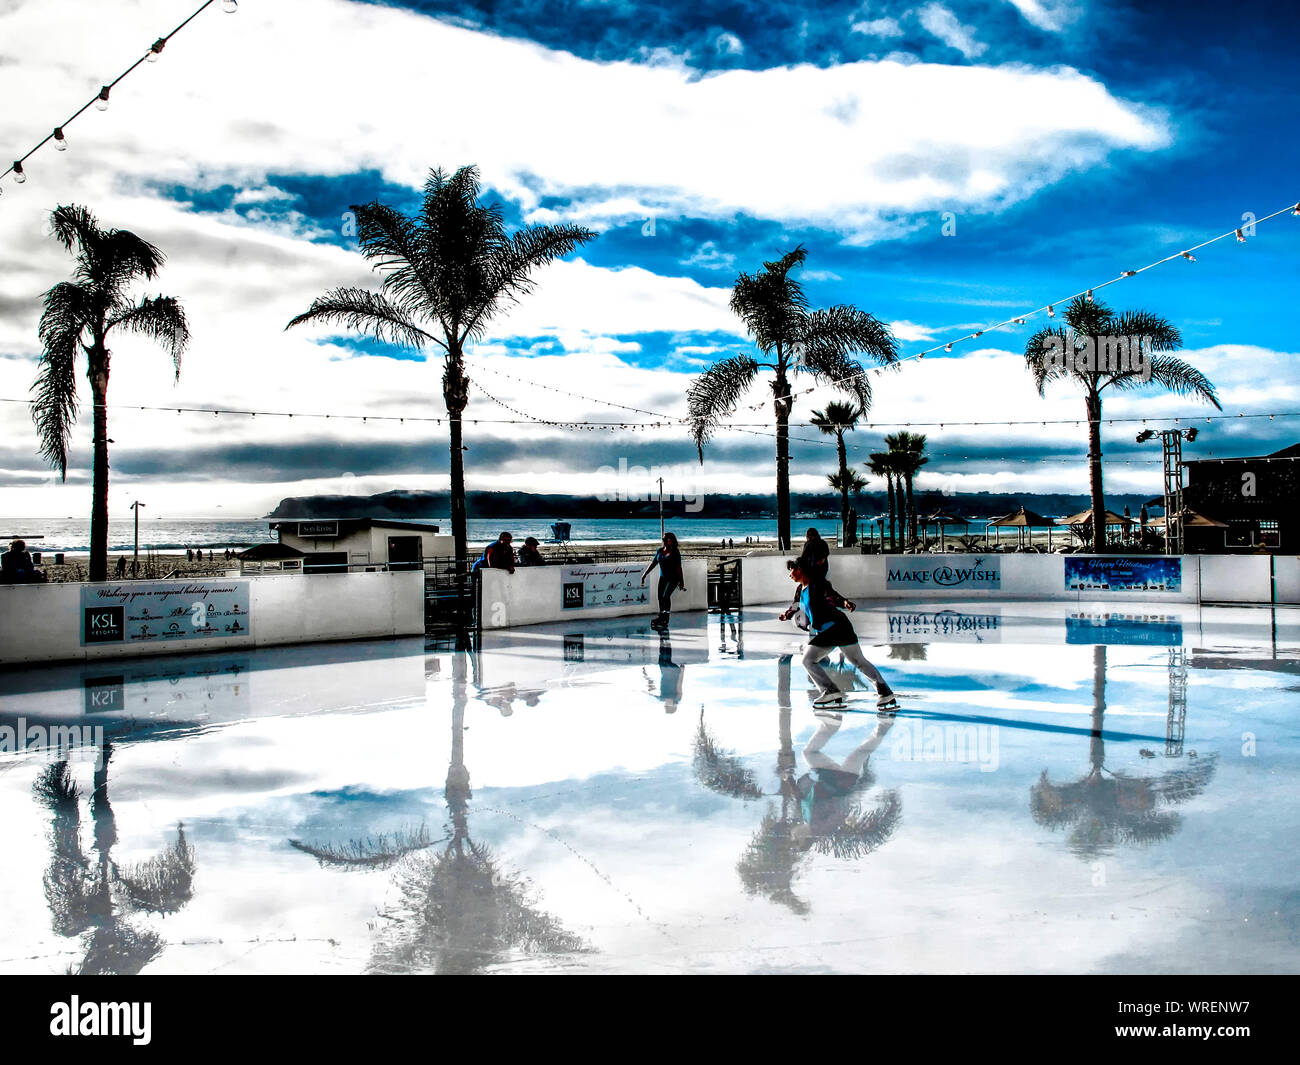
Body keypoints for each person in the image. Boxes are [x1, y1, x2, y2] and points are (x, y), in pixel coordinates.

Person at [778, 559, 895, 710]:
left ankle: (831, 692)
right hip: (836, 628)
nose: (790, 575)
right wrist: (786, 615)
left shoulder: (818, 583)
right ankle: (885, 694)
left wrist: (845, 603)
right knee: (856, 660)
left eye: (792, 570)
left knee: (809, 659)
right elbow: (795, 605)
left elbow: (832, 596)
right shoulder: (801, 589)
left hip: (835, 627)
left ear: (800, 570)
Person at [641, 531, 686, 630]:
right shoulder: (660, 551)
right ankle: (661, 617)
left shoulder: (675, 552)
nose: (664, 541)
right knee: (660, 597)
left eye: (666, 539)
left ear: (671, 541)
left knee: (666, 596)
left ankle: (665, 618)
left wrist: (682, 582)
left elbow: (679, 568)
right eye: (663, 539)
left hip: (673, 578)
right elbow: (653, 563)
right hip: (663, 578)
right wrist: (644, 574)